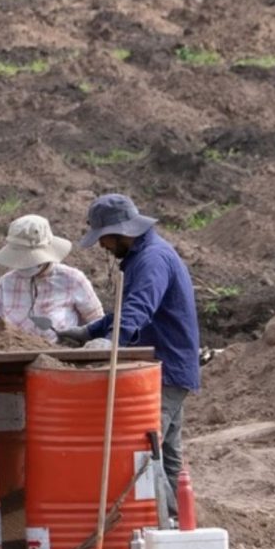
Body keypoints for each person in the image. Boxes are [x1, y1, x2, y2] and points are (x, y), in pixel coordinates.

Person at [59, 194, 200, 515]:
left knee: (145, 450)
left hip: (164, 370)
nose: (102, 247)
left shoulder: (152, 260)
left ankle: (165, 526)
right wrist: (90, 331)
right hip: (168, 367)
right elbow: (126, 306)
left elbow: (139, 308)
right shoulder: (144, 256)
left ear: (121, 232)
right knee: (166, 451)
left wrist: (112, 341)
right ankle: (180, 523)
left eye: (103, 239)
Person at [0, 214, 104, 341]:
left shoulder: (72, 279)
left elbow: (98, 322)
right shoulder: (6, 283)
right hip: (14, 356)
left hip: (60, 356)